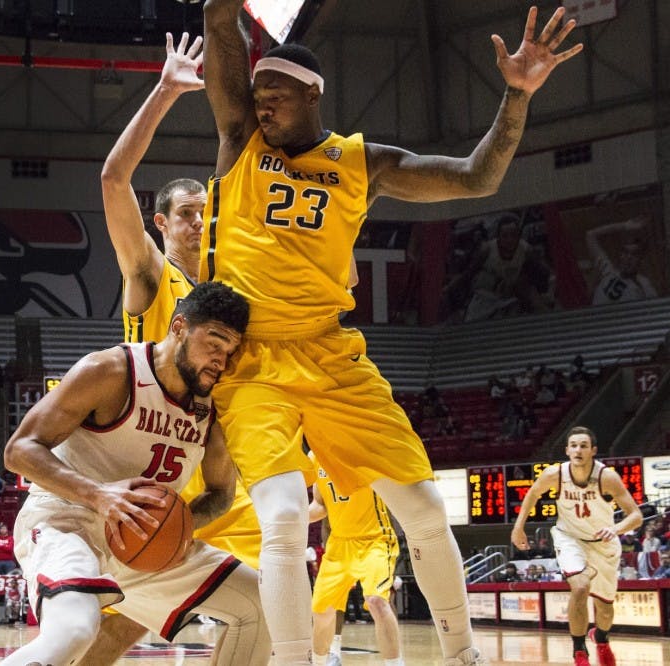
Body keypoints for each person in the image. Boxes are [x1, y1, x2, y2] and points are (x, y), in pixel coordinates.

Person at [200, 3, 581, 663]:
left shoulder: (361, 163)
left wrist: (516, 96)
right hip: (254, 360)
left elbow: (476, 177)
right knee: (286, 518)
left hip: (330, 352)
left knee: (427, 511)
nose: (263, 107)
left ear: (313, 93)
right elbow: (216, 21)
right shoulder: (241, 141)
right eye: (258, 96)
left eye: (277, 96)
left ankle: (462, 653)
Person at [81, 32, 266, 666]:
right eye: (186, 213)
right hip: (136, 463)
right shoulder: (153, 276)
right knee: (111, 624)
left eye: (204, 212)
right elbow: (113, 181)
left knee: (273, 603)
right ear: (161, 223)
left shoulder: (229, 295)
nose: (198, 220)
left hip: (211, 465)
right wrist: (164, 92)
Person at [0, 282, 269, 666]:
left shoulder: (213, 409)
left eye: (229, 351)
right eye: (214, 342)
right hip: (67, 520)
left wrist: (171, 526)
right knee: (74, 629)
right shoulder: (110, 371)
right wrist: (100, 495)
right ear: (179, 327)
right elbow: (19, 450)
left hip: (140, 540)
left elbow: (221, 493)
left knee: (261, 603)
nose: (220, 360)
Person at [511, 426, 642, 666]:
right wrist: (518, 527)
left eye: (583, 446)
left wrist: (615, 529)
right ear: (567, 450)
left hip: (603, 543)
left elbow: (636, 516)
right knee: (580, 586)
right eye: (573, 445)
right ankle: (579, 651)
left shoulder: (607, 477)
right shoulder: (555, 474)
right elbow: (532, 494)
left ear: (593, 451)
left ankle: (601, 638)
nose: (578, 450)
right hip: (569, 537)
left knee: (605, 610)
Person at [308, 453, 403, 666]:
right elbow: (320, 504)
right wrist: (295, 516)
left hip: (375, 539)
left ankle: (395, 663)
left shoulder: (359, 441)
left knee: (377, 601)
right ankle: (319, 661)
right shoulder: (315, 456)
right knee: (321, 611)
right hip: (339, 544)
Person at [587, 217, 657, 305]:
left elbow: (653, 310)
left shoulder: (644, 285)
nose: (629, 257)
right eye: (625, 252)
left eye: (634, 254)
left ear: (641, 259)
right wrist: (626, 226)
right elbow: (591, 235)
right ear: (620, 255)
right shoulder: (607, 271)